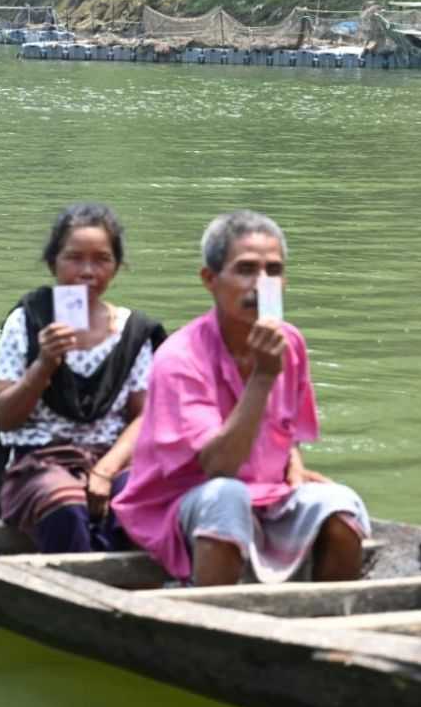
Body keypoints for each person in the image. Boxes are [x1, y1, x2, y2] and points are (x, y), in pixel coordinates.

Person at [113, 210, 369, 586]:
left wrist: (294, 471)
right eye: (246, 269)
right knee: (226, 497)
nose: (261, 283)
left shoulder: (290, 342)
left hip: (267, 494)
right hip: (183, 501)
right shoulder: (180, 357)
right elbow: (219, 467)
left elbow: (286, 431)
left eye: (274, 271)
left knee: (340, 503)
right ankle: (216, 617)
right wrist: (263, 376)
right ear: (210, 280)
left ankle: (330, 617)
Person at [0, 203, 166, 552]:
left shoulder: (135, 333)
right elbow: (6, 419)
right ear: (53, 262)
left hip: (110, 458)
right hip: (37, 460)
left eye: (101, 259)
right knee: (66, 503)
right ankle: (79, 594)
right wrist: (44, 363)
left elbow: (144, 418)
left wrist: (105, 471)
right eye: (74, 258)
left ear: (116, 266)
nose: (87, 271)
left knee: (147, 500)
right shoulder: (27, 322)